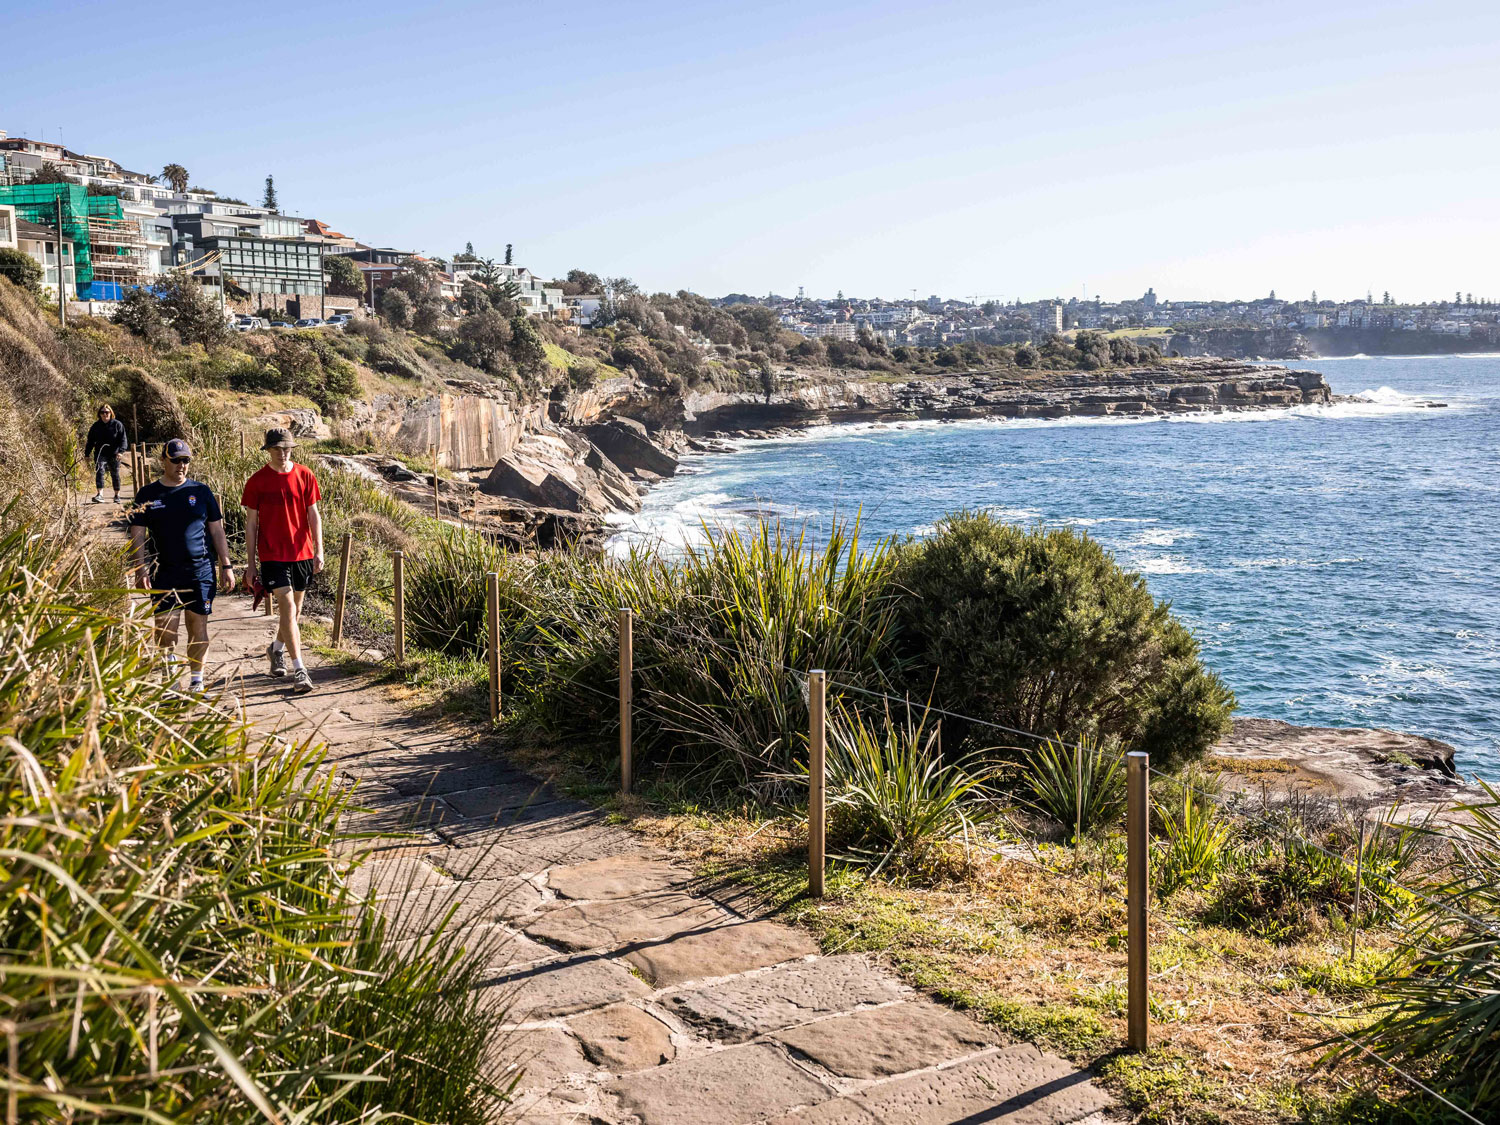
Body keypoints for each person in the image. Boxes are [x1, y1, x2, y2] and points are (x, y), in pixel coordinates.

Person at [128, 439, 236, 694]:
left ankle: (196, 681)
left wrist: (226, 566)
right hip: (164, 571)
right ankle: (170, 679)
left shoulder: (201, 492)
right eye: (176, 460)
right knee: (166, 631)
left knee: (198, 626)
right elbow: (137, 534)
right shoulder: (148, 494)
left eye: (185, 460)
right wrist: (140, 568)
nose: (181, 465)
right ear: (163, 461)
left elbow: (217, 531)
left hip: (200, 571)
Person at [242, 428, 324, 695]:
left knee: (294, 614)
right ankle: (300, 670)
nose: (282, 452)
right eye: (276, 448)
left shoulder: (305, 475)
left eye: (286, 448)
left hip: (302, 553)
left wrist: (319, 550)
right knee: (287, 608)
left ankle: (275, 649)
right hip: (272, 555)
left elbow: (314, 516)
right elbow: (251, 524)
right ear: (268, 450)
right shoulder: (257, 481)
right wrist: (251, 563)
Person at [84, 404, 130, 504]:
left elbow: (123, 439)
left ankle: (117, 495)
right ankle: (100, 494)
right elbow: (90, 441)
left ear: (111, 413)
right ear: (99, 414)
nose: (105, 414)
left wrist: (121, 452)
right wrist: (87, 454)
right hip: (100, 453)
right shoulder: (96, 426)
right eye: (102, 412)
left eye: (107, 412)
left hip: (115, 454)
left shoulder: (117, 425)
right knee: (99, 471)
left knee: (115, 474)